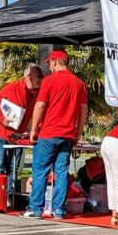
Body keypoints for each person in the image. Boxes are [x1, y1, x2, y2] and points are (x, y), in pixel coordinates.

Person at [24, 51, 88, 219]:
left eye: (49, 63)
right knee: (61, 172)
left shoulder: (49, 81)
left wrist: (34, 129)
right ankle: (59, 210)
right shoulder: (79, 84)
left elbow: (40, 106)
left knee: (40, 171)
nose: (49, 66)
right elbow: (83, 111)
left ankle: (36, 209)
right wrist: (78, 133)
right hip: (68, 134)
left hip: (49, 133)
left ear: (54, 62)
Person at [0, 63, 43, 190]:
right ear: (28, 77)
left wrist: (36, 130)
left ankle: (8, 195)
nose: (40, 79)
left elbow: (38, 111)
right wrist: (2, 119)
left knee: (14, 165)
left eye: (41, 76)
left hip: (19, 135)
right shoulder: (13, 87)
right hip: (4, 132)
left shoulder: (37, 92)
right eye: (38, 76)